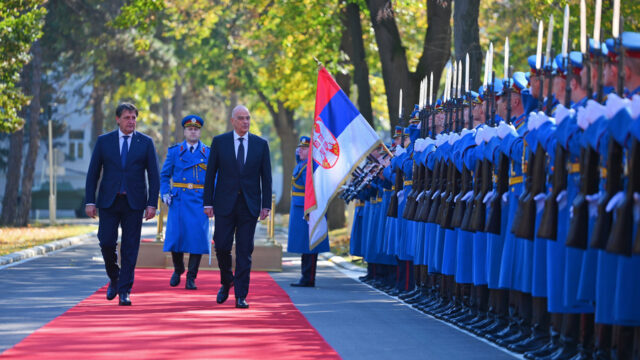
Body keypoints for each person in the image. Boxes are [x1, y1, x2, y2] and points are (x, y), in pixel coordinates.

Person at [85, 102, 160, 306]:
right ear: (118, 119)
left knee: (130, 247)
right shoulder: (104, 142)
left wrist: (152, 203)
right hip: (109, 201)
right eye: (127, 117)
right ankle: (115, 277)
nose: (131, 121)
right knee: (106, 242)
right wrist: (90, 201)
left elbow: (154, 176)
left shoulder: (145, 142)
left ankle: (125, 290)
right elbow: (93, 174)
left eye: (134, 117)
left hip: (134, 203)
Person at [203, 105, 272, 309]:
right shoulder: (220, 142)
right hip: (224, 204)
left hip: (249, 206)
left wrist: (265, 205)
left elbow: (266, 178)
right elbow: (210, 175)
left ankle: (241, 295)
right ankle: (227, 281)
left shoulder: (260, 144)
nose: (245, 122)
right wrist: (208, 202)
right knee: (222, 246)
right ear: (232, 120)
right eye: (241, 118)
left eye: (248, 118)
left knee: (244, 250)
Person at [160, 115, 210, 290]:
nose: (193, 131)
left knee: (196, 239)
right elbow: (165, 175)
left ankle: (191, 277)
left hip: (199, 200)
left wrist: (212, 201)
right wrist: (165, 193)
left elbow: (214, 178)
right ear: (185, 131)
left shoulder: (208, 153)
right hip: (179, 199)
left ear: (200, 131)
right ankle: (178, 268)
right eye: (190, 129)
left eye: (196, 129)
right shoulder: (174, 151)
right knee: (175, 237)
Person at [287, 136, 330, 287]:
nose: (299, 150)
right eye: (299, 148)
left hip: (307, 209)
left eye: (304, 149)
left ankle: (308, 277)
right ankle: (305, 276)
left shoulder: (309, 167)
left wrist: (310, 210)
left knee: (309, 244)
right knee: (304, 244)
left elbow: (311, 190)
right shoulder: (302, 165)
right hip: (300, 207)